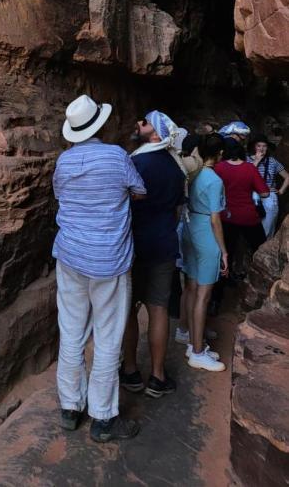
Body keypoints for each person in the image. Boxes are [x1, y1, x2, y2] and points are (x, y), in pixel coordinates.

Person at [52, 94, 147, 444]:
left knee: (72, 331)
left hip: (70, 256)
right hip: (109, 259)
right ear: (100, 125)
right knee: (107, 338)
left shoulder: (63, 162)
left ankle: (69, 407)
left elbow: (61, 197)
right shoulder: (116, 156)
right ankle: (103, 419)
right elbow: (139, 191)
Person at [121, 111, 186, 398]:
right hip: (163, 242)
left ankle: (131, 370)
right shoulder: (176, 166)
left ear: (156, 134)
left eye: (144, 122)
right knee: (158, 308)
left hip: (133, 245)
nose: (138, 124)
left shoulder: (134, 162)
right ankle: (158, 376)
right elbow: (176, 210)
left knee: (129, 308)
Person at [182, 134, 228, 372]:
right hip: (206, 234)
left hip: (189, 229)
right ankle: (198, 352)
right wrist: (224, 251)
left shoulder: (193, 173)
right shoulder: (215, 180)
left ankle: (193, 342)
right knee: (204, 294)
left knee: (191, 287)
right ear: (220, 154)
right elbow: (215, 219)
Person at [215, 141, 269, 282]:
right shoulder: (250, 168)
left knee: (226, 251)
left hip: (226, 215)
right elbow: (264, 193)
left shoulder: (219, 167)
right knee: (260, 247)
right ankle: (261, 279)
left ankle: (222, 285)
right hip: (247, 215)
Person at [248, 134, 289, 239]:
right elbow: (245, 176)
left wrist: (281, 191)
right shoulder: (246, 159)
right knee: (251, 226)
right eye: (259, 146)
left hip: (269, 196)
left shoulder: (272, 161)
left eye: (264, 146)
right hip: (251, 196)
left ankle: (263, 250)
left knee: (268, 226)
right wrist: (256, 161)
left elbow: (287, 176)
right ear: (254, 147)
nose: (261, 148)